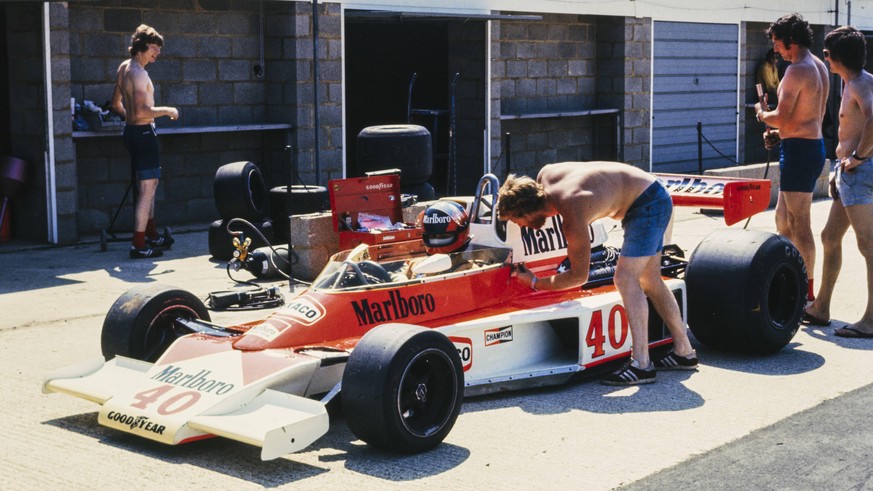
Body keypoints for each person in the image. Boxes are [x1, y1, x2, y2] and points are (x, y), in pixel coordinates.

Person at [497, 161, 697, 386]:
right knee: (650, 280)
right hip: (651, 191)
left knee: (625, 279)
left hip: (647, 204)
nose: (520, 226)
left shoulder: (572, 213)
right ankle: (684, 352)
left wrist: (535, 282)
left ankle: (641, 365)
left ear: (527, 211)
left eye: (517, 221)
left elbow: (578, 277)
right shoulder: (545, 175)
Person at [803, 27, 873, 338]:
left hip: (861, 172)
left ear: (838, 56)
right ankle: (821, 308)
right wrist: (842, 168)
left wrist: (858, 157)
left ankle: (871, 321)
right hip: (849, 174)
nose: (825, 58)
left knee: (869, 246)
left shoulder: (860, 83)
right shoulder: (851, 83)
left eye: (828, 53)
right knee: (830, 237)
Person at [755, 13, 829, 302]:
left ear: (791, 40)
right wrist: (781, 133)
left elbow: (781, 116)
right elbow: (805, 117)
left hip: (800, 149)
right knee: (783, 220)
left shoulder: (797, 70)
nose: (776, 49)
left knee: (800, 223)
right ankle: (788, 278)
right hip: (804, 144)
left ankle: (805, 291)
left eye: (778, 42)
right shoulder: (819, 66)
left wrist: (763, 114)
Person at [111, 24, 179, 259]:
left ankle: (152, 236)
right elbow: (142, 111)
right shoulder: (140, 74)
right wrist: (167, 110)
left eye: (159, 49)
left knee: (148, 188)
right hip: (143, 134)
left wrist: (129, 120)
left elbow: (116, 104)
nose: (157, 53)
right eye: (153, 48)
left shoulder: (124, 68)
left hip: (131, 133)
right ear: (141, 46)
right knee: (147, 190)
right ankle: (138, 245)